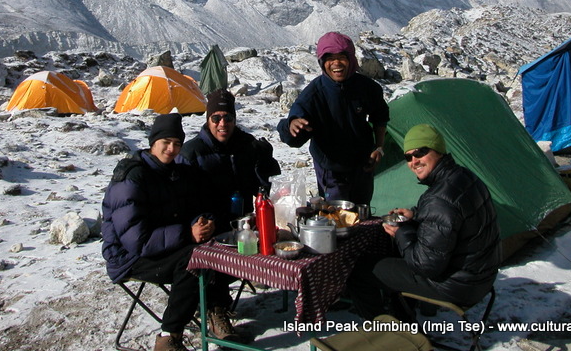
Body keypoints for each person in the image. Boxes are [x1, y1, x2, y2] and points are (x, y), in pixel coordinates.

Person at [101, 113, 237, 351]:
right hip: (129, 256)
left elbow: (196, 207)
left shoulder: (176, 172)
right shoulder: (133, 177)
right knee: (193, 261)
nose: (171, 149)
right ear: (153, 142)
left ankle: (216, 313)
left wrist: (205, 223)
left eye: (177, 144)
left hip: (163, 246)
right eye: (166, 143)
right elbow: (137, 240)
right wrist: (187, 234)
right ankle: (168, 337)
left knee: (218, 246)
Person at [348, 124, 501, 320]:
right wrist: (416, 216)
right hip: (482, 277)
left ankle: (388, 332)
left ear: (438, 150)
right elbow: (449, 217)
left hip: (457, 286)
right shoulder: (463, 176)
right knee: (396, 257)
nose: (414, 161)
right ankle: (404, 314)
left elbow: (425, 266)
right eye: (408, 157)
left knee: (357, 269)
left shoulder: (438, 198)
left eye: (421, 152)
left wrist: (402, 232)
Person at [276, 31, 389, 205]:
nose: (336, 63)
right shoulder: (314, 94)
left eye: (342, 57)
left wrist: (379, 147)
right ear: (322, 62)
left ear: (351, 59)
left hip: (362, 165)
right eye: (330, 58)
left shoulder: (367, 88)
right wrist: (292, 124)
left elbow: (380, 116)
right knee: (337, 217)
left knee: (361, 211)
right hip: (331, 170)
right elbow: (292, 131)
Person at [178, 89, 281, 229]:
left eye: (228, 118)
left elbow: (265, 190)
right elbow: (181, 202)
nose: (222, 123)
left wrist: (265, 161)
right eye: (216, 118)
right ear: (208, 120)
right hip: (208, 229)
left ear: (234, 120)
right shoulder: (191, 153)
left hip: (245, 227)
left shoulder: (247, 145)